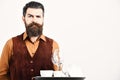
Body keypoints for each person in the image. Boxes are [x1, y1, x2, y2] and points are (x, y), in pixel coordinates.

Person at [0, 1, 61, 80]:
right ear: (23, 19)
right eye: (30, 16)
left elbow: (58, 75)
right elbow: (2, 75)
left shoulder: (53, 45)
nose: (34, 20)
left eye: (38, 16)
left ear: (43, 19)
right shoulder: (10, 43)